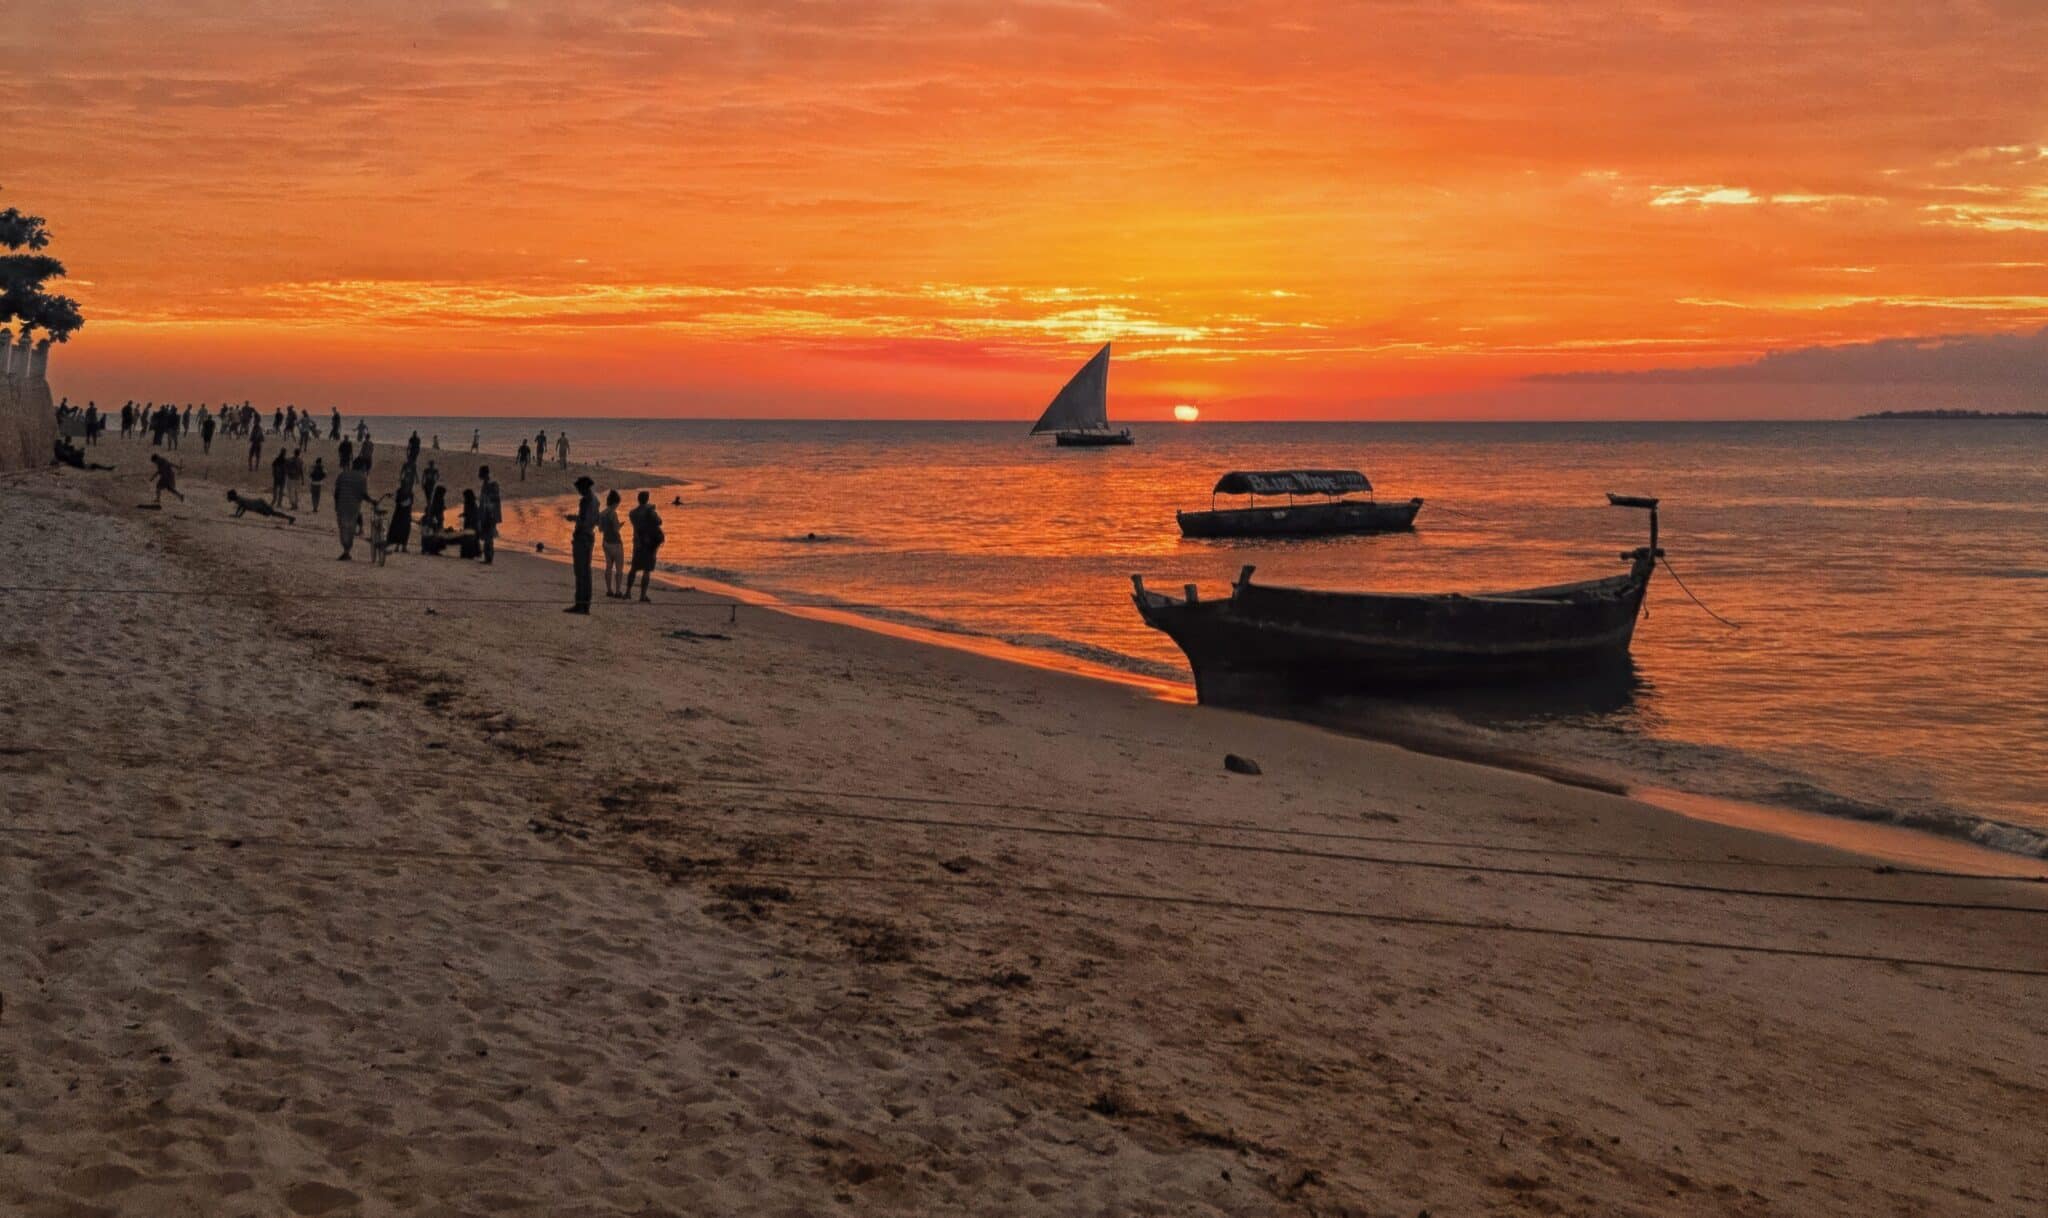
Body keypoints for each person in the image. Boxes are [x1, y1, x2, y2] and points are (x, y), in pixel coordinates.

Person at [564, 475, 598, 614]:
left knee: (580, 572)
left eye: (579, 488)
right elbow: (594, 520)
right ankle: (585, 604)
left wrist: (575, 521)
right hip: (589, 536)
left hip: (582, 538)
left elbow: (584, 521)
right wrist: (575, 518)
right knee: (586, 571)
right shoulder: (595, 500)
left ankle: (580, 604)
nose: (578, 490)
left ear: (584, 487)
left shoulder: (586, 501)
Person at [626, 490, 664, 602]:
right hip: (649, 543)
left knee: (633, 568)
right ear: (647, 499)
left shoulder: (632, 513)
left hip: (637, 542)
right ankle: (642, 596)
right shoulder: (649, 511)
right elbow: (659, 522)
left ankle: (628, 592)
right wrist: (651, 509)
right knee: (647, 570)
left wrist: (649, 508)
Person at [332, 457, 370, 560]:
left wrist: (336, 504)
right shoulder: (362, 478)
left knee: (343, 527)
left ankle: (346, 550)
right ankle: (347, 550)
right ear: (362, 467)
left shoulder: (342, 475)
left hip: (342, 505)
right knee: (350, 528)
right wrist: (372, 501)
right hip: (354, 507)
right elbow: (363, 494)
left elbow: (336, 492)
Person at [598, 489, 625, 597]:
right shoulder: (613, 513)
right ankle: (618, 591)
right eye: (617, 504)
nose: (617, 506)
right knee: (619, 568)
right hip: (615, 543)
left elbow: (600, 529)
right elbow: (616, 529)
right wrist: (620, 525)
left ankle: (609, 590)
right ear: (615, 502)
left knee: (608, 566)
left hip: (605, 542)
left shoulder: (602, 513)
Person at [477, 466, 502, 564]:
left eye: (480, 473)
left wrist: (490, 514)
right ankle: (488, 557)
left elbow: (491, 501)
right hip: (487, 514)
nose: (479, 475)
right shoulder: (487, 484)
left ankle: (489, 558)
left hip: (489, 514)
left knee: (488, 537)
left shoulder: (490, 484)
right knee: (488, 536)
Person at [227, 489, 293, 524]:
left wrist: (238, 515)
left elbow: (243, 508)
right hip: (259, 505)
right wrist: (237, 515)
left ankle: (290, 518)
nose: (228, 497)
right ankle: (289, 518)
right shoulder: (238, 499)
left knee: (273, 513)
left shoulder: (239, 499)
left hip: (260, 505)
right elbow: (241, 507)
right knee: (273, 513)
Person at [387, 474, 415, 553]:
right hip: (401, 514)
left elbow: (406, 502)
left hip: (402, 514)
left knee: (402, 530)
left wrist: (400, 502)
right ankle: (399, 546)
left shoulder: (407, 492)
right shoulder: (403, 491)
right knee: (401, 530)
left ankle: (402, 546)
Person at [457, 489, 483, 559]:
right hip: (471, 522)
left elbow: (472, 513)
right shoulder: (471, 502)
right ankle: (471, 553)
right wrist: (464, 514)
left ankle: (469, 553)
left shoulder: (470, 503)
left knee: (469, 538)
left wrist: (465, 515)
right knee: (471, 538)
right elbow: (472, 513)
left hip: (471, 523)